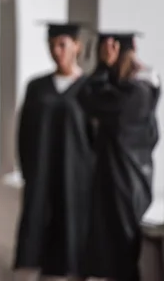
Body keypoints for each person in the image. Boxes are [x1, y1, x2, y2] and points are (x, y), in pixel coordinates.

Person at [13, 22, 95, 280]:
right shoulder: (36, 87)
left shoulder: (89, 88)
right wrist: (30, 173)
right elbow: (24, 134)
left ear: (77, 46)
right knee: (43, 248)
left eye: (63, 44)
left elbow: (96, 139)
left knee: (74, 250)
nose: (57, 51)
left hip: (77, 181)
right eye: (52, 45)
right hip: (43, 179)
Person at [79, 32, 160, 281]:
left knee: (120, 264)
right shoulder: (141, 90)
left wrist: (102, 66)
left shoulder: (136, 92)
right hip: (123, 183)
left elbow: (89, 97)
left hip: (124, 186)